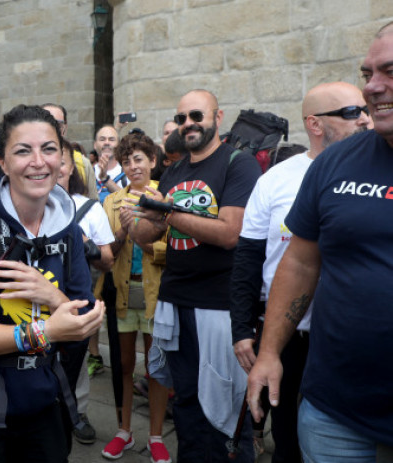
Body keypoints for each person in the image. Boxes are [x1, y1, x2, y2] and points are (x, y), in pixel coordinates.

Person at [247, 22, 393, 461]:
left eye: (390, 71)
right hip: (334, 413)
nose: (373, 87)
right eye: (368, 73)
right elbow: (300, 263)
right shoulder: (337, 162)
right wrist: (269, 351)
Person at [0, 104, 105, 462]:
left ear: (63, 158)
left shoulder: (69, 230)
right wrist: (45, 332)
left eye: (48, 149)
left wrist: (55, 297)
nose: (38, 161)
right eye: (23, 151)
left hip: (43, 404)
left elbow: (84, 315)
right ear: (3, 162)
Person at [231, 81, 371, 461]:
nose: (364, 118)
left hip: (344, 337)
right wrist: (243, 330)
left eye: (364, 109)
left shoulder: (376, 170)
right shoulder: (276, 179)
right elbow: (248, 257)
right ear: (314, 123)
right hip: (287, 334)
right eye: (350, 112)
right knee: (288, 437)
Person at [130, 89, 262, 462]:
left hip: (220, 307)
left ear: (218, 118)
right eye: (183, 117)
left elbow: (229, 233)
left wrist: (168, 213)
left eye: (197, 116)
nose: (189, 123)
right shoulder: (173, 170)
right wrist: (140, 218)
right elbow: (144, 235)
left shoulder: (239, 163)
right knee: (185, 404)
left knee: (223, 408)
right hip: (176, 304)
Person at [96, 132, 171, 462]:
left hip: (156, 293)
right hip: (123, 292)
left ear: (153, 161)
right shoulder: (112, 201)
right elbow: (105, 253)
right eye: (126, 161)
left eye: (139, 159)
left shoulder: (166, 199)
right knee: (123, 365)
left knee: (156, 368)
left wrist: (145, 242)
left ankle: (156, 436)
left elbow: (173, 252)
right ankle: (123, 430)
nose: (133, 166)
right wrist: (123, 231)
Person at [56, 141, 114, 446]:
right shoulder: (27, 206)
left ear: (71, 168)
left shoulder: (90, 208)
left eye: (62, 162)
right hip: (38, 304)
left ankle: (77, 413)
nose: (56, 169)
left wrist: (85, 243)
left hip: (77, 300)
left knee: (75, 366)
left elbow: (108, 261)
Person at [42, 103, 99, 201]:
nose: (52, 129)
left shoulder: (82, 163)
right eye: (46, 123)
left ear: (65, 127)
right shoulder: (26, 162)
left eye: (57, 124)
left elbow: (93, 204)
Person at [94, 124, 126, 202]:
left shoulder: (127, 174)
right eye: (102, 139)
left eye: (111, 139)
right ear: (95, 145)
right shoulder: (87, 173)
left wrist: (106, 179)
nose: (107, 143)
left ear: (119, 145)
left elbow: (129, 201)